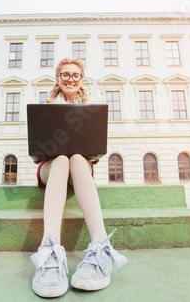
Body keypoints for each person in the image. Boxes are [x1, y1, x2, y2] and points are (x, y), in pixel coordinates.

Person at [30, 58, 128, 298]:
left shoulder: (90, 108)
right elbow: (36, 154)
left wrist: (82, 151)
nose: (70, 79)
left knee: (74, 158)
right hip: (51, 167)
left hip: (80, 167)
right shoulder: (46, 107)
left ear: (82, 80)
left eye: (76, 75)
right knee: (62, 159)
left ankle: (101, 246)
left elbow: (94, 153)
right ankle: (49, 250)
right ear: (58, 79)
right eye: (65, 75)